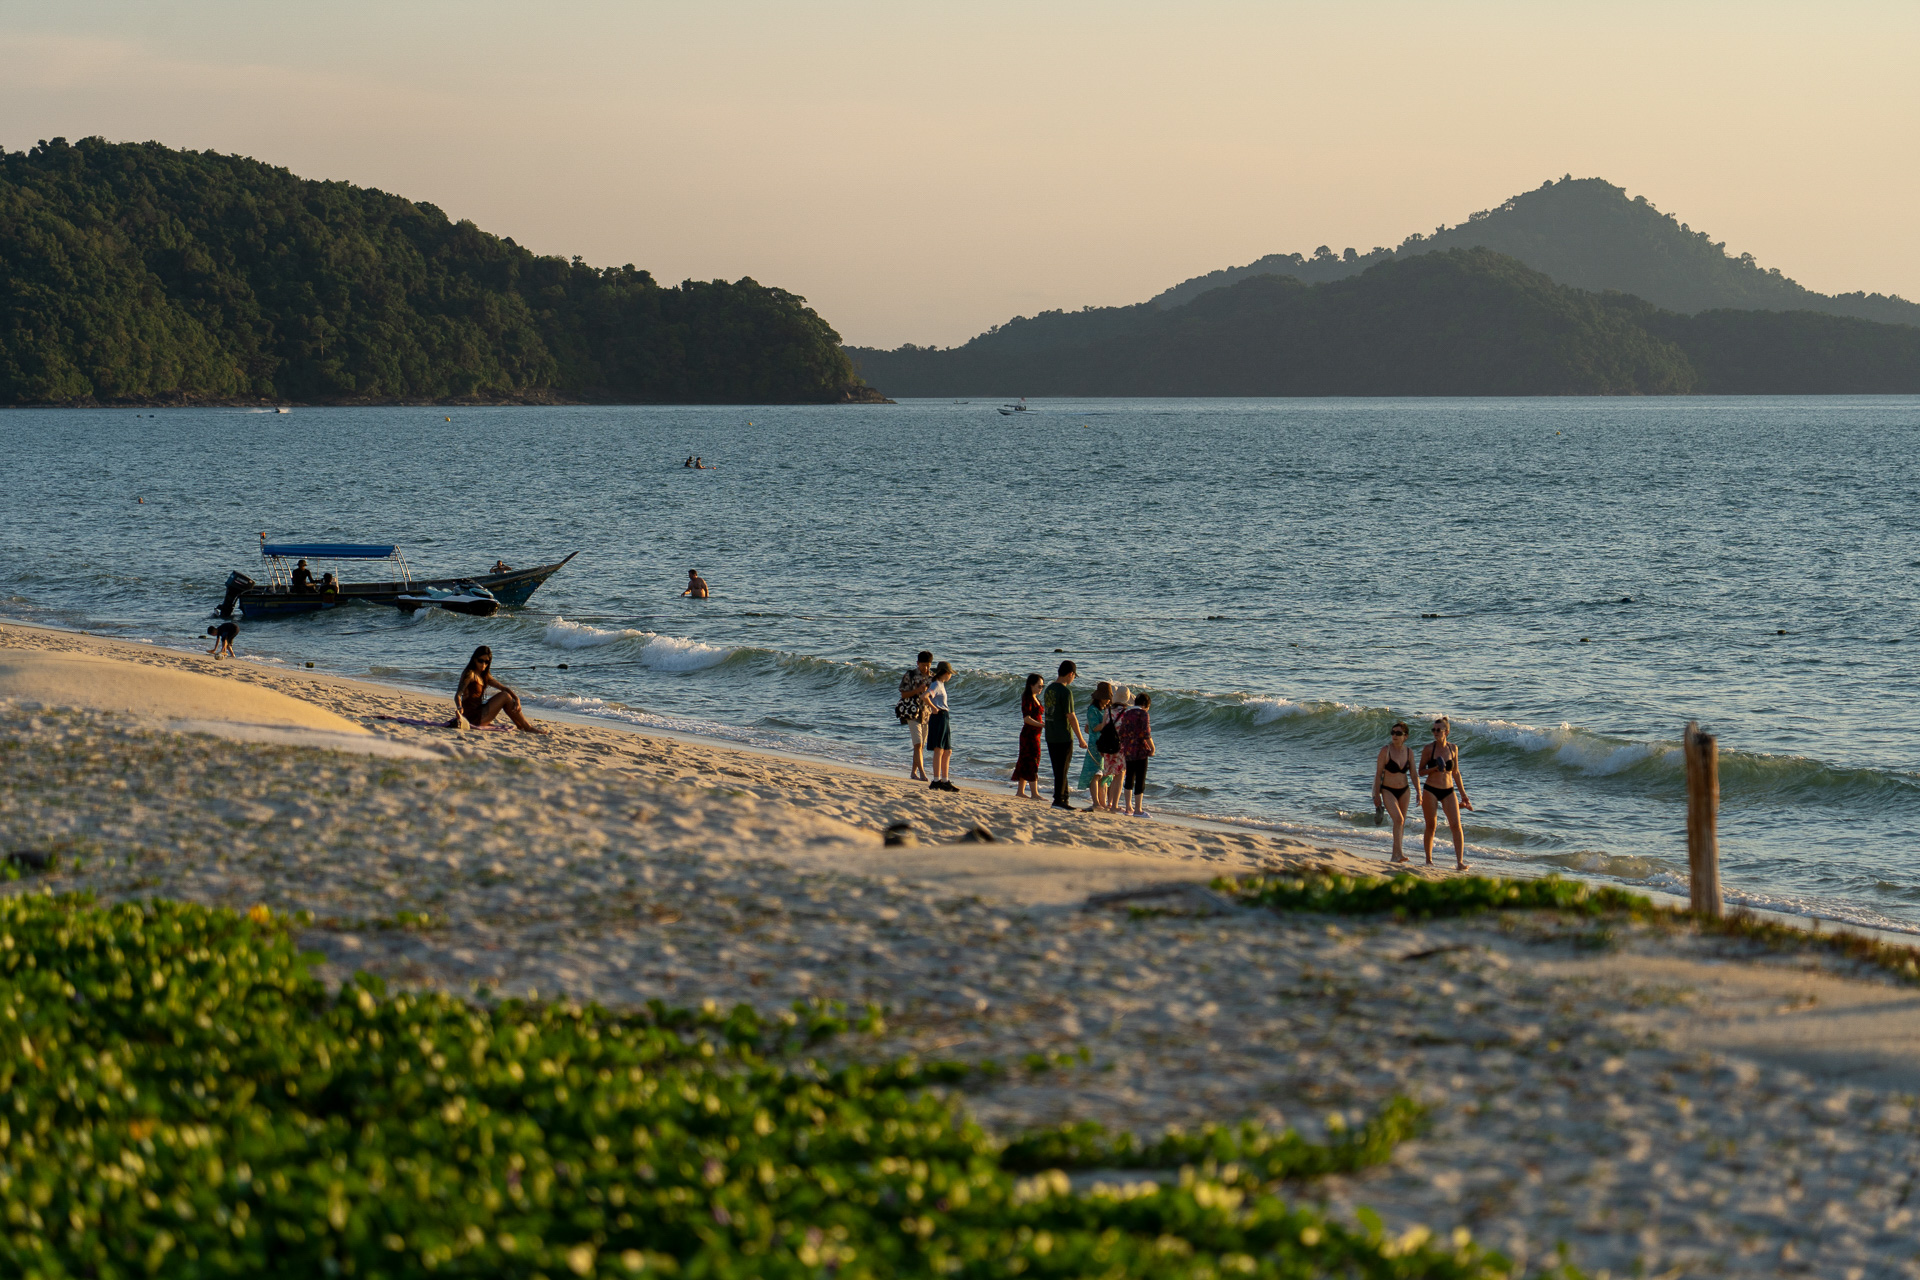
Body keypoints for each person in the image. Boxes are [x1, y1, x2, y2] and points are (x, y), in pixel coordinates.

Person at [453, 645, 549, 733]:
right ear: (474, 659)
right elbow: (458, 694)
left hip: (480, 711)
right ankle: (527, 727)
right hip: (473, 717)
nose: (483, 665)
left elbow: (503, 688)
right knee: (505, 696)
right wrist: (459, 708)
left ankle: (521, 726)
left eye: (486, 662)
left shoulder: (484, 675)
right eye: (480, 661)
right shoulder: (470, 674)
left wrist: (517, 699)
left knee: (507, 696)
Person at [1419, 716, 1472, 870]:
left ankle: (1460, 862)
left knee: (1456, 825)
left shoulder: (1453, 748)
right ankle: (1428, 860)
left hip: (1449, 790)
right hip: (1431, 790)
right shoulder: (1429, 749)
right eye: (1433, 730)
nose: (1435, 732)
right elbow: (1420, 771)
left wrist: (1463, 794)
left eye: (1438, 730)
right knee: (1431, 825)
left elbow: (1456, 773)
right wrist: (1434, 769)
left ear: (1446, 732)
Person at [1043, 660, 1087, 810]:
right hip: (1063, 735)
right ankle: (1058, 800)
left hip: (1050, 734)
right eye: (1074, 676)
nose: (1073, 679)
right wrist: (1081, 738)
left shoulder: (1049, 689)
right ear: (1070, 674)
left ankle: (1064, 798)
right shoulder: (1065, 691)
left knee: (1059, 768)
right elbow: (1071, 716)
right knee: (1062, 769)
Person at [1372, 721, 1418, 864]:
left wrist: (1419, 792)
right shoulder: (1385, 751)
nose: (1395, 736)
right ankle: (1399, 854)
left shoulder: (1409, 752)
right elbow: (1378, 774)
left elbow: (1414, 774)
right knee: (1398, 819)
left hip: (1404, 790)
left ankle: (1395, 855)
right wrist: (1376, 794)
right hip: (1388, 790)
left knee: (1400, 823)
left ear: (1405, 736)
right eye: (1393, 733)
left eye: (1398, 733)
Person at [1076, 681, 1114, 807]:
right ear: (1100, 697)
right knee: (1095, 774)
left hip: (1107, 745)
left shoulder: (1107, 709)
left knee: (1104, 776)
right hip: (1095, 745)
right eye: (1106, 698)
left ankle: (1102, 803)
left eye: (1109, 698)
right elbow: (1093, 727)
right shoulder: (1093, 710)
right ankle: (1096, 802)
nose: (1108, 700)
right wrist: (1108, 723)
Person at [1118, 692, 1155, 816]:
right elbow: (1146, 733)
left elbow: (1122, 732)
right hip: (1140, 751)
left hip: (1128, 750)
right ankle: (1138, 809)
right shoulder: (1143, 714)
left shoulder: (1127, 713)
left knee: (1129, 778)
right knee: (1140, 779)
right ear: (1145, 705)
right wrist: (1152, 748)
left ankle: (1128, 808)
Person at [899, 651, 935, 780]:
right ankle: (922, 774)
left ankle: (913, 772)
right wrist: (917, 691)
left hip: (927, 713)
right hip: (912, 712)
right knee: (918, 744)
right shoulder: (910, 675)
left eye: (928, 665)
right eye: (923, 665)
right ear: (918, 663)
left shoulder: (933, 677)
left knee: (921, 745)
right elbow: (903, 694)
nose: (926, 668)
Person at [925, 661, 957, 791]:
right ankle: (937, 780)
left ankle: (945, 779)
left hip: (944, 716)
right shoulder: (937, 684)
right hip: (939, 716)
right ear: (946, 673)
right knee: (939, 749)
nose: (950, 676)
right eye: (950, 673)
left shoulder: (940, 684)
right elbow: (925, 696)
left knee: (947, 750)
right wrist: (933, 708)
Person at [1097, 686, 1129, 812]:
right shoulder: (1127, 713)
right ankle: (1114, 805)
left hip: (1108, 746)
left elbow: (1103, 728)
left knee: (1107, 773)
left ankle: (1105, 802)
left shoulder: (1108, 711)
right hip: (1121, 747)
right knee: (1119, 776)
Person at [1012, 672, 1044, 799]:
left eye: (1042, 686)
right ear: (1031, 685)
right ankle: (1034, 793)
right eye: (1039, 686)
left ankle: (1021, 791)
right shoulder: (1027, 698)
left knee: (1026, 761)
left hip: (1035, 734)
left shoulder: (1035, 698)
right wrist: (1042, 725)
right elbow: (1026, 718)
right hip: (1029, 735)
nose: (1041, 688)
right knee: (1031, 761)